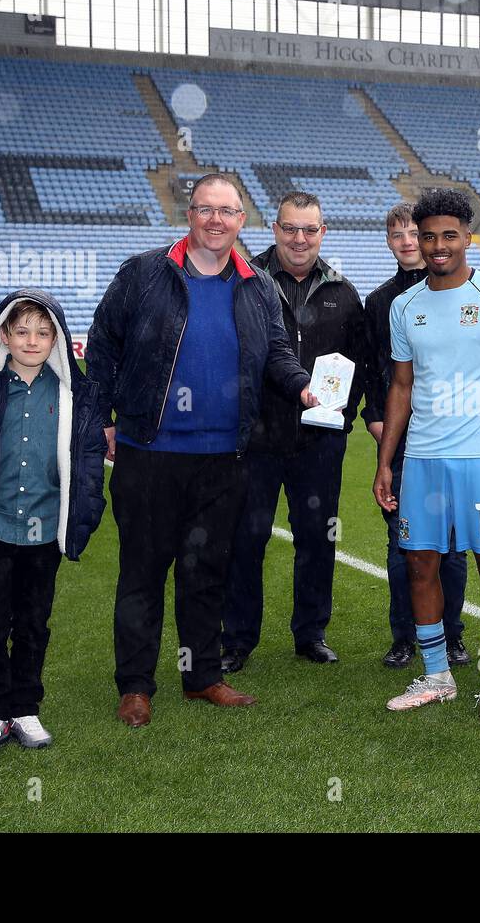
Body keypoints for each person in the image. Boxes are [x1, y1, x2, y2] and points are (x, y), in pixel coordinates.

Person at [87, 173, 315, 727]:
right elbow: (102, 343)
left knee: (206, 572)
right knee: (142, 572)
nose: (217, 220)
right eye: (206, 209)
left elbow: (277, 354)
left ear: (243, 220)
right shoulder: (144, 273)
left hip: (225, 458)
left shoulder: (258, 286)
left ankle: (202, 676)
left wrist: (304, 385)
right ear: (189, 214)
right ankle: (136, 686)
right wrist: (101, 420)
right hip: (149, 451)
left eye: (228, 211)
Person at [373, 188, 480, 727]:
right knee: (420, 561)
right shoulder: (404, 306)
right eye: (428, 236)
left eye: (449, 235)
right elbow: (400, 387)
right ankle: (438, 676)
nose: (437, 246)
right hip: (421, 459)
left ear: (468, 237)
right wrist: (384, 462)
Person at [0, 290, 107, 761]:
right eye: (22, 331)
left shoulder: (78, 395)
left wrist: (86, 512)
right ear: (4, 335)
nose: (32, 340)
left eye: (43, 332)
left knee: (33, 624)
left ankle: (24, 707)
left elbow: (90, 460)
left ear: (58, 339)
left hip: (44, 530)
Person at [222, 191, 372, 670]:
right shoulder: (244, 282)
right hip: (256, 441)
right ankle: (237, 640)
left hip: (319, 444)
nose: (300, 239)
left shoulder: (344, 294)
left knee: (317, 539)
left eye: (310, 229)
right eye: (290, 228)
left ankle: (311, 633)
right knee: (247, 539)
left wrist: (342, 420)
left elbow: (360, 365)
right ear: (274, 229)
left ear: (323, 232)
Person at [363, 202, 470, 670]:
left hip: (456, 435)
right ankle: (405, 636)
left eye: (416, 233)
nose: (409, 241)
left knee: (452, 543)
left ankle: (453, 635)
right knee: (403, 544)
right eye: (399, 234)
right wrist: (374, 416)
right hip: (403, 437)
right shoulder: (382, 301)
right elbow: (374, 370)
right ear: (390, 242)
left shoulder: (467, 293)